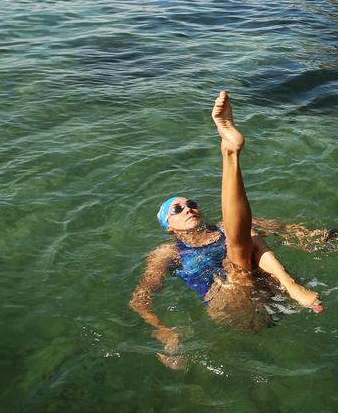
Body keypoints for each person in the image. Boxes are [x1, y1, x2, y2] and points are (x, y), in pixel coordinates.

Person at [130, 91, 324, 368]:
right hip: (233, 306)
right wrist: (162, 331)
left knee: (248, 235)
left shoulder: (224, 227)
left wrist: (322, 238)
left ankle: (290, 286)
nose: (188, 209)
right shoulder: (168, 252)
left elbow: (286, 229)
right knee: (241, 244)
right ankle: (230, 153)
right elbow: (140, 299)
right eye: (177, 209)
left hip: (271, 293)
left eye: (191, 204)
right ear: (168, 227)